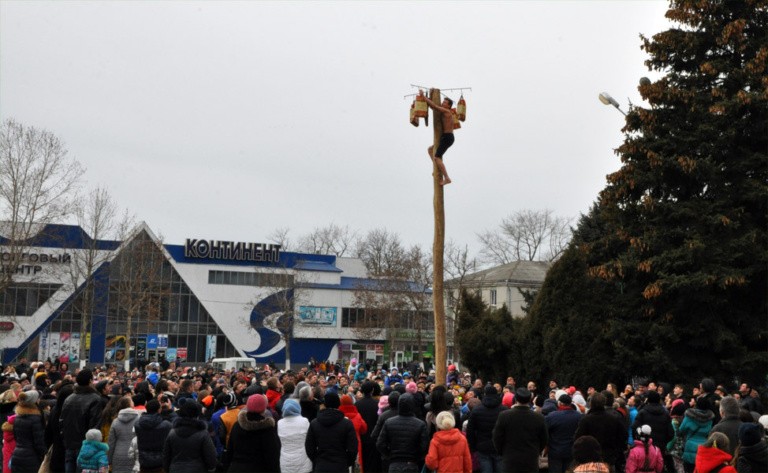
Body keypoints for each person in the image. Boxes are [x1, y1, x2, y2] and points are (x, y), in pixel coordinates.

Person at [492, 387, 548, 473]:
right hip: (530, 459)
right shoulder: (539, 417)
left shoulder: (504, 415)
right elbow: (544, 439)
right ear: (530, 399)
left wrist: (503, 452)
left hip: (510, 458)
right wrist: (536, 450)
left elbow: (497, 437)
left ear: (515, 399)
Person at [223, 394, 280, 473]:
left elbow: (230, 450)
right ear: (264, 408)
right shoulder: (267, 429)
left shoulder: (237, 425)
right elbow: (273, 455)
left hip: (236, 468)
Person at [61, 369, 103, 473]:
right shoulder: (95, 399)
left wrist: (65, 439)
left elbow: (61, 421)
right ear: (90, 381)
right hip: (85, 445)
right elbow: (95, 424)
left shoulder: (69, 398)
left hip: (69, 443)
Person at [305, 392, 358, 473]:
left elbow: (309, 447)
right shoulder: (347, 423)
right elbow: (353, 448)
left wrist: (317, 461)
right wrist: (347, 462)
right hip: (340, 465)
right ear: (338, 404)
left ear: (325, 404)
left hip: (322, 465)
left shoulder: (314, 423)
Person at [574, 392, 627, 472]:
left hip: (590, 459)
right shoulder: (613, 419)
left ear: (591, 403)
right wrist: (616, 452)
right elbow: (623, 436)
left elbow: (578, 438)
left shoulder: (586, 420)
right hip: (609, 457)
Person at [376, 393, 429, 473]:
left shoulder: (389, 422)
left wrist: (389, 455)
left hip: (394, 463)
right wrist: (417, 457)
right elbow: (424, 446)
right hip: (411, 463)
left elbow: (380, 443)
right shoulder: (420, 424)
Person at [162, 401, 217, 473]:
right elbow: (210, 455)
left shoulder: (172, 433)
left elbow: (166, 454)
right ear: (197, 414)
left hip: (175, 468)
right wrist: (211, 468)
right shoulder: (203, 433)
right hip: (198, 469)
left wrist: (166, 468)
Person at [466, 384, 507, 473]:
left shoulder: (476, 410)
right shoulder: (504, 410)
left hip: (482, 447)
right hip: (499, 447)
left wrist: (473, 446)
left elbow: (470, 430)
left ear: (484, 394)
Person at [421, 89, 455, 185]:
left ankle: (447, 178)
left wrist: (423, 96)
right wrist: (431, 94)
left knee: (437, 157)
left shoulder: (447, 111)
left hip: (447, 137)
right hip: (445, 137)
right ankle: (437, 169)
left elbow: (434, 106)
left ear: (449, 106)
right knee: (430, 150)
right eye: (443, 102)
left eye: (445, 103)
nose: (443, 103)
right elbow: (433, 106)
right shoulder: (443, 111)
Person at [10, 390, 46, 473]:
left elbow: (16, 437)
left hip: (17, 455)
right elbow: (39, 442)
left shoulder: (17, 418)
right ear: (34, 401)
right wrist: (44, 455)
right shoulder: (35, 419)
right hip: (32, 458)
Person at [545, 393, 582, 473]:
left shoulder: (552, 416)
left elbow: (545, 432)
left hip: (555, 451)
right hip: (571, 451)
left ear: (560, 403)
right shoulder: (579, 416)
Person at [133, 399, 172, 473]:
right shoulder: (166, 425)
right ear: (159, 410)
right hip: (160, 462)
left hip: (143, 462)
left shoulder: (138, 425)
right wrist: (169, 410)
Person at [678, 397, 715, 473]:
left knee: (689, 469)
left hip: (689, 446)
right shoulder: (710, 419)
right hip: (704, 446)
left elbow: (681, 430)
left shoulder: (689, 416)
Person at [277, 399, 313, 473]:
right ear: (298, 408)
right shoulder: (304, 421)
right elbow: (310, 439)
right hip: (303, 459)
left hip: (285, 461)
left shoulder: (280, 423)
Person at [108, 396, 140, 473]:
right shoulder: (139, 419)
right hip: (134, 454)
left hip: (118, 455)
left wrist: (109, 460)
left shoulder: (115, 421)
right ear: (129, 405)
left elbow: (111, 443)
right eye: (131, 400)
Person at [339, 394, 368, 472]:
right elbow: (364, 429)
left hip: (342, 443)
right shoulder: (357, 415)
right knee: (357, 464)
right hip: (356, 441)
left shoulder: (339, 416)